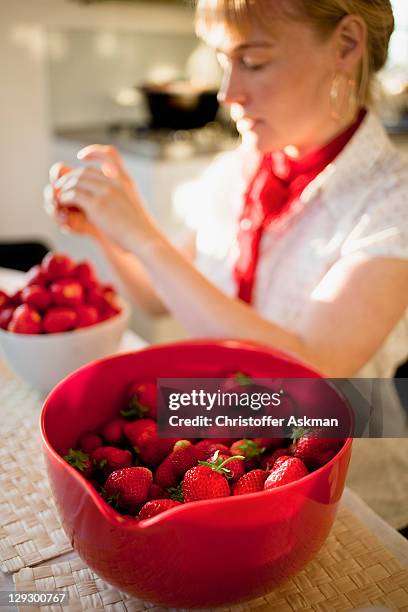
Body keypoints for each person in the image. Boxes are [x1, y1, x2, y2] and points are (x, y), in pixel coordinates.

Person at [44, 0, 408, 526]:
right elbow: (154, 294)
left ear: (347, 45)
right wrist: (107, 227)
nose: (227, 92)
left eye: (254, 61)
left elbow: (312, 372)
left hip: (351, 497)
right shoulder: (233, 171)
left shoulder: (392, 200)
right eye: (223, 61)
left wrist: (145, 237)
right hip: (227, 462)